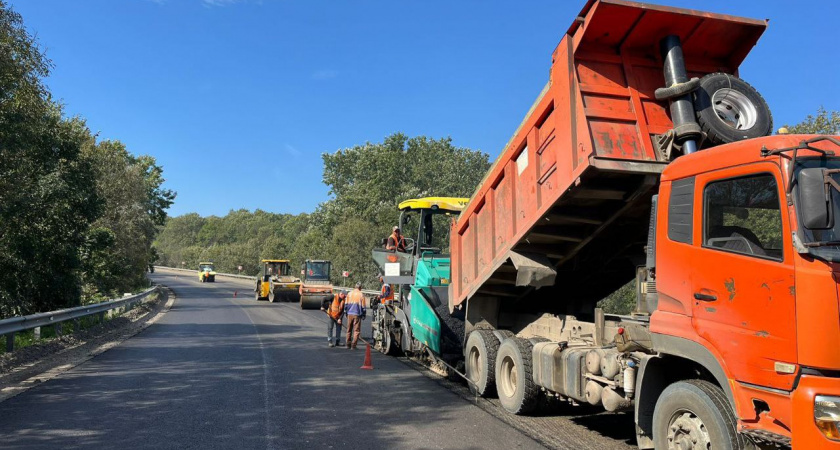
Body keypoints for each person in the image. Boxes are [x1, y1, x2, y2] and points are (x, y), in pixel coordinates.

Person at [344, 282, 367, 349]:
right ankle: (353, 345)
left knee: (349, 329)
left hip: (349, 314)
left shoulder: (349, 294)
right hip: (357, 314)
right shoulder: (361, 294)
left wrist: (346, 312)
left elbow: (346, 304)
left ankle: (348, 344)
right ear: (360, 288)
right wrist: (363, 314)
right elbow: (363, 306)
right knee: (356, 330)